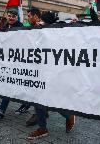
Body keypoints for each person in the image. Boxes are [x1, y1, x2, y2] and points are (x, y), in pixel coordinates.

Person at [27, 9, 75, 140]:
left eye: (42, 22)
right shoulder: (38, 32)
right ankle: (43, 127)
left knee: (49, 99)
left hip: (51, 74)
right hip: (39, 72)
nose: (40, 23)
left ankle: (67, 116)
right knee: (40, 100)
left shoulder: (56, 35)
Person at [0, 8, 24, 121]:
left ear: (17, 17)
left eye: (14, 16)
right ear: (6, 16)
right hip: (6, 62)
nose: (11, 18)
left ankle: (1, 111)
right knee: (8, 87)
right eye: (10, 15)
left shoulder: (21, 27)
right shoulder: (5, 26)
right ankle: (2, 109)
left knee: (14, 87)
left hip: (17, 63)